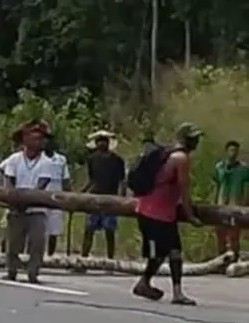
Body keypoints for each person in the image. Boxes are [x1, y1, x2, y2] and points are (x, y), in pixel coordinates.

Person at [133, 122, 203, 305]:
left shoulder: (167, 153)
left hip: (154, 211)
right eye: (194, 138)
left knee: (171, 251)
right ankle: (155, 286)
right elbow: (184, 188)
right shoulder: (181, 158)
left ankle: (151, 284)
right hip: (156, 213)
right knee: (162, 253)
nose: (196, 142)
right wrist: (190, 215)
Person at [0, 121, 53, 284]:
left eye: (40, 139)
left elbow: (41, 185)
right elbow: (9, 180)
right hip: (15, 206)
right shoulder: (14, 159)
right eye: (33, 138)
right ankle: (11, 269)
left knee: (37, 242)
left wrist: (27, 200)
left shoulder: (47, 162)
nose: (38, 142)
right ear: (25, 140)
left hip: (37, 208)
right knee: (13, 241)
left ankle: (33, 272)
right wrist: (13, 198)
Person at [81, 130, 126, 259]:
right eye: (99, 141)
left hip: (111, 198)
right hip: (94, 197)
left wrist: (121, 198)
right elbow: (91, 179)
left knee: (109, 231)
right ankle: (83, 258)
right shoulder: (92, 159)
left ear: (108, 143)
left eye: (104, 141)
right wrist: (82, 193)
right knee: (89, 229)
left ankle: (110, 259)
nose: (101, 144)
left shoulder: (117, 160)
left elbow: (122, 180)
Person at [212, 140, 249, 261]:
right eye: (232, 150)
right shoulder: (219, 167)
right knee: (220, 234)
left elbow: (246, 187)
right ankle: (220, 259)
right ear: (227, 151)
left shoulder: (243, 169)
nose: (234, 153)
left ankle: (235, 258)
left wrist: (244, 204)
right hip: (221, 204)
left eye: (236, 151)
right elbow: (216, 184)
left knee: (234, 235)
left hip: (235, 204)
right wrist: (213, 202)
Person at [43, 132, 71, 256]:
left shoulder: (61, 159)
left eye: (49, 141)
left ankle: (50, 256)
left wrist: (70, 199)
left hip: (56, 198)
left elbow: (65, 180)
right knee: (36, 229)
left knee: (54, 230)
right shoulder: (38, 158)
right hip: (39, 197)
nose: (47, 143)